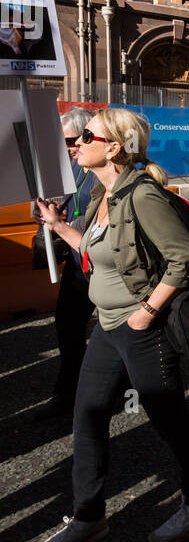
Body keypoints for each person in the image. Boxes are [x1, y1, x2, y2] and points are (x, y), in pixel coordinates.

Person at [31, 110, 189, 542]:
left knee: (169, 421)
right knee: (88, 418)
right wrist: (58, 226)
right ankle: (88, 517)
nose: (76, 144)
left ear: (113, 147)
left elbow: (184, 258)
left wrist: (147, 312)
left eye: (86, 138)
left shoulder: (142, 194)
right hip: (106, 328)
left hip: (140, 331)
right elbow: (94, 252)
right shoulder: (101, 194)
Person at [30, 107, 96, 422]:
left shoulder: (97, 166)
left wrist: (66, 223)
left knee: (117, 333)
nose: (68, 147)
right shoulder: (69, 165)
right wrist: (48, 212)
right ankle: (68, 394)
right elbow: (54, 206)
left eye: (71, 140)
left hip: (102, 261)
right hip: (77, 260)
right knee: (68, 326)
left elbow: (104, 214)